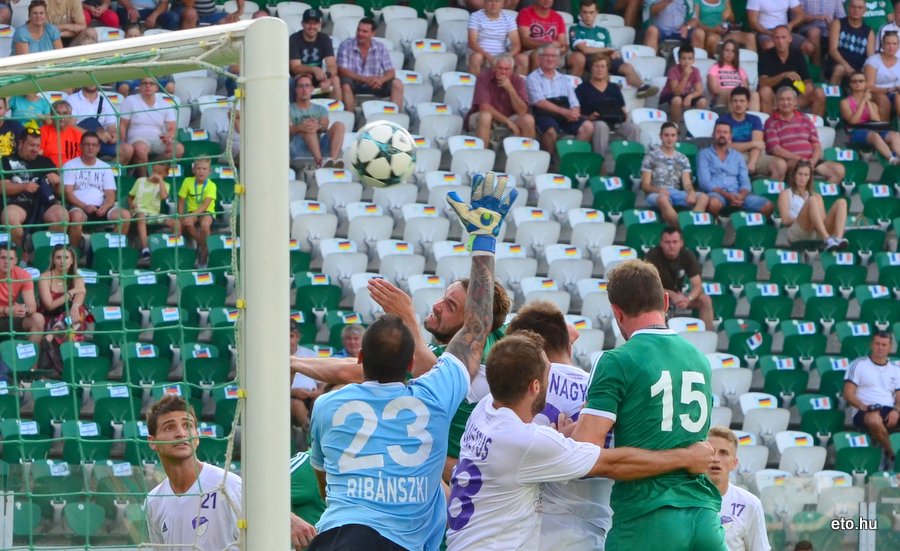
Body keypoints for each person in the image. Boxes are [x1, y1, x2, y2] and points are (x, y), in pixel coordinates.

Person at [307, 172, 515, 550]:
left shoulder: (326, 405)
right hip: (401, 542)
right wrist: (483, 240)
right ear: (410, 365)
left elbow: (324, 484)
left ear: (360, 358)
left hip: (338, 535)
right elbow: (477, 326)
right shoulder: (435, 394)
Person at [445, 330, 716, 551]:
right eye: (548, 375)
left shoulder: (485, 411)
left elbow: (520, 451)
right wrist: (686, 457)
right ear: (535, 386)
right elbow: (611, 463)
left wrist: (562, 437)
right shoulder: (526, 442)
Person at [292, 274, 513, 484]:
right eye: (443, 297)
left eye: (450, 306)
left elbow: (358, 370)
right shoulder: (495, 339)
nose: (437, 305)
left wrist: (408, 319)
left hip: (454, 487)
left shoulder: (471, 363)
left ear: (471, 326)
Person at [571, 259, 725, 551]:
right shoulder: (700, 359)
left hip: (647, 519)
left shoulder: (616, 360)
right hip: (705, 518)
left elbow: (583, 454)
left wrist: (570, 432)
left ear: (617, 312)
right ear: (666, 301)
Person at [504, 301, 612, 551]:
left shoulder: (523, 388)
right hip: (598, 526)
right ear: (568, 345)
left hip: (538, 528)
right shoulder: (604, 391)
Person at [567, 0, 658, 99]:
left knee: (627, 67)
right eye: (585, 12)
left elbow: (609, 48)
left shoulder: (603, 31)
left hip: (605, 58)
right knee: (601, 63)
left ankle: (642, 87)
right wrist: (605, 50)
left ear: (596, 13)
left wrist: (613, 53)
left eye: (591, 12)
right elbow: (585, 50)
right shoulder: (575, 29)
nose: (588, 16)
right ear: (580, 13)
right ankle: (610, 89)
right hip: (588, 60)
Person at [1, 127, 68, 258]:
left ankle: (44, 257)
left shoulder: (46, 161)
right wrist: (23, 186)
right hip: (18, 202)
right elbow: (2, 187)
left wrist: (58, 182)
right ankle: (22, 256)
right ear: (21, 143)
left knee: (62, 216)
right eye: (31, 145)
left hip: (45, 202)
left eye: (37, 145)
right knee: (10, 217)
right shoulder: (6, 160)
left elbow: (61, 193)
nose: (35, 149)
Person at [63, 132, 131, 251]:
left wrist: (105, 206)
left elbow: (110, 193)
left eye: (94, 145)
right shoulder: (69, 166)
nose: (90, 147)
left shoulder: (105, 167)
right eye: (87, 144)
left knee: (125, 216)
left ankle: (113, 252)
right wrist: (84, 206)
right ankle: (73, 254)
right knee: (76, 217)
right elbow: (68, 193)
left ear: (99, 148)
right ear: (80, 146)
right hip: (79, 206)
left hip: (102, 207)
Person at [707, 426, 770, 551]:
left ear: (734, 463)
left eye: (724, 453)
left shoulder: (750, 504)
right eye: (711, 452)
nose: (716, 459)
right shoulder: (684, 501)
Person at [764, 86, 845, 183]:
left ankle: (818, 192)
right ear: (777, 102)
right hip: (790, 161)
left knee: (838, 170)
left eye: (789, 99)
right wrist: (798, 159)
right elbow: (775, 149)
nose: (785, 103)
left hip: (811, 161)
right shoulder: (771, 122)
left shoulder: (805, 118)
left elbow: (816, 144)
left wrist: (813, 160)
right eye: (782, 100)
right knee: (798, 167)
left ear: (795, 102)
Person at [526, 43, 593, 156]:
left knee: (588, 126)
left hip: (565, 113)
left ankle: (571, 158)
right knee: (550, 131)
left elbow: (573, 101)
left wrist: (575, 112)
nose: (550, 59)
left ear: (558, 60)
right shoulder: (533, 78)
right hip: (545, 113)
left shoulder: (563, 78)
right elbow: (539, 102)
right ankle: (548, 160)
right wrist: (564, 112)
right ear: (539, 58)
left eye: (553, 56)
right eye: (546, 55)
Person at [843, 331, 900, 464]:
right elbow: (848, 393)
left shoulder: (896, 369)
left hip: (889, 409)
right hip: (864, 410)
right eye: (877, 344)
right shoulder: (858, 364)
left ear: (890, 347)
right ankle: (893, 456)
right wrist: (863, 406)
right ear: (871, 345)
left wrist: (896, 411)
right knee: (874, 419)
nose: (880, 348)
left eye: (884, 345)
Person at [698, 122, 775, 217]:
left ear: (730, 136)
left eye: (725, 132)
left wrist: (742, 195)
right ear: (713, 135)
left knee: (768, 206)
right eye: (718, 132)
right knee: (714, 203)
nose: (722, 135)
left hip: (737, 193)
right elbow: (705, 182)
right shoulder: (704, 154)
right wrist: (726, 195)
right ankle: (717, 222)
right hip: (717, 194)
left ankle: (750, 225)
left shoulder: (738, 156)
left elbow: (745, 181)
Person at [640, 121, 709, 228]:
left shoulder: (682, 158)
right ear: (661, 136)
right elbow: (645, 185)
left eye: (673, 135)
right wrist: (658, 190)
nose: (670, 138)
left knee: (703, 197)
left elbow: (687, 184)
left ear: (677, 137)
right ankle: (683, 229)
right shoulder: (651, 156)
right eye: (666, 135)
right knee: (663, 199)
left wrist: (691, 192)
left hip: (676, 192)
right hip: (656, 193)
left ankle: (691, 225)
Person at [645, 227, 715, 329]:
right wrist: (672, 295)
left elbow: (697, 285)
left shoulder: (687, 255)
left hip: (679, 295)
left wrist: (688, 299)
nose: (671, 246)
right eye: (667, 242)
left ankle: (707, 335)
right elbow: (648, 286)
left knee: (705, 300)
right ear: (661, 243)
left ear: (681, 243)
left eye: (675, 242)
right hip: (656, 296)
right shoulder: (652, 256)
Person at [575, 54, 641, 159]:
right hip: (594, 122)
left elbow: (623, 109)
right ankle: (600, 161)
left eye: (603, 66)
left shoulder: (614, 88)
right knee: (601, 125)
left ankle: (631, 161)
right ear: (591, 68)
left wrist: (622, 115)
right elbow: (576, 113)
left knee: (634, 128)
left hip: (615, 123)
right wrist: (588, 118)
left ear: (607, 69)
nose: (600, 70)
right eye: (597, 66)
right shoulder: (582, 88)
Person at [777, 160, 849, 250]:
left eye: (806, 175)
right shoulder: (786, 193)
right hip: (796, 230)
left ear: (809, 177)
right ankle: (827, 239)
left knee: (842, 202)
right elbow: (785, 220)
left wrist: (815, 220)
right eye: (800, 174)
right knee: (812, 200)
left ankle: (838, 238)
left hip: (815, 232)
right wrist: (808, 217)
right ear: (794, 175)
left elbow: (822, 220)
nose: (802, 178)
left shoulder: (816, 196)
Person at [336, 18, 403, 114]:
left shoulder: (380, 47)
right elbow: (342, 70)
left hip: (375, 84)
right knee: (345, 84)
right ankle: (350, 117)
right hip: (355, 83)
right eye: (358, 30)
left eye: (364, 31)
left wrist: (381, 80)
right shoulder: (346, 45)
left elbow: (390, 72)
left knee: (397, 84)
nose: (360, 34)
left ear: (373, 33)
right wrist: (365, 79)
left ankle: (393, 118)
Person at [119, 77, 184, 175]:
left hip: (158, 138)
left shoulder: (164, 104)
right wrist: (122, 143)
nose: (148, 86)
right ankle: (143, 177)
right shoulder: (130, 100)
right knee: (141, 148)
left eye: (151, 83)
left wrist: (169, 135)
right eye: (144, 83)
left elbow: (172, 128)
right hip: (137, 137)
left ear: (156, 87)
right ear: (139, 86)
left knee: (178, 149)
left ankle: (153, 167)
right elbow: (123, 125)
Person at [468, 54, 536, 145]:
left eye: (506, 69)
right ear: (494, 68)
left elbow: (522, 111)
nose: (503, 72)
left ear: (512, 70)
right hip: (484, 116)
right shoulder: (483, 78)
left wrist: (510, 89)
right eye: (500, 68)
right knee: (485, 116)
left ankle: (526, 152)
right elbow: (484, 107)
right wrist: (507, 121)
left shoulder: (518, 80)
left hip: (510, 116)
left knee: (528, 119)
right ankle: (482, 152)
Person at [758, 25, 825, 115]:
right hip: (775, 99)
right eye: (777, 38)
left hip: (796, 98)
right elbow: (762, 82)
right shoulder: (766, 55)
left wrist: (807, 86)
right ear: (773, 39)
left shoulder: (797, 54)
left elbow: (806, 80)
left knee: (819, 92)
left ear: (790, 39)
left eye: (783, 37)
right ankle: (769, 123)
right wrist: (783, 76)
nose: (780, 41)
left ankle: (813, 124)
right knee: (765, 91)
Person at [841, 71, 900, 164]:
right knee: (874, 136)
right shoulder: (845, 102)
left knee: (895, 135)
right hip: (855, 131)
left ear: (865, 83)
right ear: (850, 84)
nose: (858, 83)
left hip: (873, 130)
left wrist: (868, 102)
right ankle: (892, 159)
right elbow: (853, 122)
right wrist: (863, 101)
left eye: (861, 81)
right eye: (854, 81)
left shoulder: (872, 103)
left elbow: (876, 121)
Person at [289, 74, 346, 168]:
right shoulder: (289, 109)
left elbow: (325, 124)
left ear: (312, 89)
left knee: (339, 125)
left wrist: (318, 126)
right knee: (309, 128)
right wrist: (300, 127)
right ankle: (320, 163)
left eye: (307, 86)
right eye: (301, 86)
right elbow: (286, 130)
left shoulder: (320, 109)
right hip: (298, 148)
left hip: (319, 146)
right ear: (296, 90)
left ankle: (333, 161)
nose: (304, 89)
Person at [37, 245, 88, 344]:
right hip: (49, 318)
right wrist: (71, 292)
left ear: (72, 260)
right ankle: (58, 337)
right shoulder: (45, 277)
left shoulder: (77, 278)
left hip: (71, 319)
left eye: (66, 257)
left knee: (79, 310)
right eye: (58, 257)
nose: (62, 261)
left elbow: (80, 296)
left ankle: (52, 335)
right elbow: (50, 306)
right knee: (74, 319)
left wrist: (75, 306)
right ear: (53, 260)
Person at [68, 85, 132, 163]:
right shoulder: (72, 100)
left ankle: (108, 169)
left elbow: (111, 127)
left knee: (127, 149)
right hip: (79, 142)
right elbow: (69, 127)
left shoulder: (105, 101)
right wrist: (95, 135)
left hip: (101, 142)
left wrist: (113, 135)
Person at [288, 8, 341, 102]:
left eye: (315, 23)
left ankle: (337, 110)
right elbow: (295, 68)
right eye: (308, 23)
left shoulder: (324, 38)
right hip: (299, 76)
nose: (312, 26)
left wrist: (327, 78)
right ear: (302, 24)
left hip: (318, 77)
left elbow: (332, 65)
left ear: (320, 24)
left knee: (335, 80)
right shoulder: (294, 39)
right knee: (303, 80)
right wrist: (313, 69)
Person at [129, 162, 175, 262]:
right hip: (138, 212)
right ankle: (145, 249)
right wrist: (132, 205)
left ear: (166, 174)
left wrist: (160, 181)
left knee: (175, 223)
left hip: (154, 214)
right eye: (154, 171)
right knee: (141, 216)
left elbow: (164, 197)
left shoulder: (165, 185)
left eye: (160, 173)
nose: (156, 174)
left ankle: (173, 251)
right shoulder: (140, 181)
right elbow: (131, 196)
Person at [718, 87, 770, 176]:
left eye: (742, 101)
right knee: (738, 161)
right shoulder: (722, 121)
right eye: (735, 101)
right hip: (732, 155)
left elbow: (758, 145)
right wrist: (752, 144)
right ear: (730, 103)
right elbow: (726, 147)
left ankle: (768, 185)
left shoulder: (755, 120)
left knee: (779, 165)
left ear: (748, 103)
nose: (738, 104)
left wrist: (752, 163)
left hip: (754, 155)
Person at [0, 247, 45, 344]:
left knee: (38, 319)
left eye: (10, 258)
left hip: (11, 318)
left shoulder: (22, 274)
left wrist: (23, 310)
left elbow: (32, 307)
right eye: (3, 258)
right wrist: (6, 310)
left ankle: (29, 353)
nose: (6, 262)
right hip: (5, 313)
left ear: (15, 261)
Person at [177, 158, 216, 268]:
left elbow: (205, 206)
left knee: (205, 225)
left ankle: (203, 254)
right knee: (188, 224)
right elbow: (181, 201)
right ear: (193, 170)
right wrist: (181, 216)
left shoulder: (212, 185)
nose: (201, 171)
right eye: (198, 168)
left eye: (204, 169)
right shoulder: (187, 181)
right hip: (191, 212)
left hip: (207, 212)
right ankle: (205, 246)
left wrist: (191, 216)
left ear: (209, 171)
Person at [467, 0, 521, 75]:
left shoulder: (509, 19)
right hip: (481, 54)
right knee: (476, 57)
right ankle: (477, 82)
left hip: (501, 55)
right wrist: (489, 57)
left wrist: (506, 57)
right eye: (490, 1)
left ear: (503, 4)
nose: (494, 4)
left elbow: (516, 44)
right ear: (484, 3)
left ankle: (516, 82)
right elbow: (472, 43)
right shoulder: (475, 16)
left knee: (522, 59)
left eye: (497, 1)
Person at [827, 0, 873, 85]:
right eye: (853, 7)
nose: (856, 10)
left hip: (858, 69)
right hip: (838, 65)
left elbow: (871, 58)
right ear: (848, 8)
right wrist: (848, 68)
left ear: (865, 10)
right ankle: (832, 93)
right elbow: (833, 50)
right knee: (840, 69)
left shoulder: (869, 32)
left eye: (860, 8)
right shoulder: (838, 24)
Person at [660, 45, 709, 124]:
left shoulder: (695, 71)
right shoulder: (673, 70)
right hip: (669, 96)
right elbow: (676, 92)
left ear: (693, 60)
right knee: (677, 100)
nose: (687, 62)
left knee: (702, 101)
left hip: (686, 95)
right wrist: (685, 77)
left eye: (690, 58)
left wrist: (690, 96)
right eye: (683, 58)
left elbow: (699, 90)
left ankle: (695, 126)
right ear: (679, 60)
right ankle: (675, 125)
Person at [708, 40, 760, 111]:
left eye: (733, 51)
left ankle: (752, 117)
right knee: (731, 94)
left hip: (739, 96)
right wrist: (732, 92)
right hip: (720, 98)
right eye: (727, 50)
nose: (729, 53)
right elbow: (714, 90)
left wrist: (737, 94)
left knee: (754, 94)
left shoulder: (740, 70)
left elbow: (746, 90)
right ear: (722, 51)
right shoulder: (715, 67)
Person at [747, 0, 814, 55]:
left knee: (808, 47)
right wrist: (770, 33)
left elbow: (800, 15)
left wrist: (790, 25)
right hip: (765, 31)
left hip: (784, 30)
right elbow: (753, 22)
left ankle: (795, 64)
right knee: (769, 45)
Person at [516, 0, 567, 71]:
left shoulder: (558, 17)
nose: (547, 0)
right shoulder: (525, 13)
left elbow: (562, 43)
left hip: (554, 51)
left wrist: (559, 49)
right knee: (538, 55)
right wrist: (548, 45)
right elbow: (525, 41)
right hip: (531, 50)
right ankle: (536, 78)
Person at [642, 0, 706, 54]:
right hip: (661, 30)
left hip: (681, 31)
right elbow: (650, 11)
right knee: (651, 30)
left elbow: (694, 19)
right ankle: (651, 62)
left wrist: (687, 27)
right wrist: (667, 1)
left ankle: (694, 63)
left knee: (699, 33)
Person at [863, 31, 900, 121]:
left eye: (894, 44)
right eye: (888, 43)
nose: (891, 47)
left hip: (895, 93)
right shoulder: (873, 61)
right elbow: (869, 86)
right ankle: (884, 128)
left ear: (898, 46)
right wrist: (888, 90)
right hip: (876, 92)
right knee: (883, 100)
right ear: (882, 45)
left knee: (898, 97)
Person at [796, 0, 845, 66]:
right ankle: (817, 66)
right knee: (815, 32)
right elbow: (797, 17)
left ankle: (833, 66)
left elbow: (842, 18)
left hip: (828, 30)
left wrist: (833, 25)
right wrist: (816, 17)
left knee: (837, 33)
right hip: (808, 28)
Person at [40, 100, 83, 169]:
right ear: (51, 115)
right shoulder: (43, 131)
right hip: (49, 170)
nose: (61, 117)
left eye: (65, 113)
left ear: (70, 116)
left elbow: (83, 159)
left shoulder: (78, 135)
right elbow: (38, 156)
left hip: (73, 171)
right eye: (57, 113)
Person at [177, 0, 244, 28]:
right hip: (193, 16)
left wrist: (240, 10)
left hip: (211, 14)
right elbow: (188, 5)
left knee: (235, 20)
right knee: (191, 13)